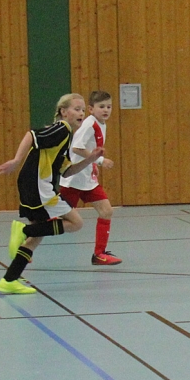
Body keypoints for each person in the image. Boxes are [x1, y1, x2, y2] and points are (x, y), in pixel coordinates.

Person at [0, 94, 105, 294]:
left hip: (34, 184)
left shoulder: (67, 136)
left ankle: (9, 280)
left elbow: (67, 171)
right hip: (39, 186)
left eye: (82, 110)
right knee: (76, 223)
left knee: (38, 235)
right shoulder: (62, 128)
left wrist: (91, 159)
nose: (81, 113)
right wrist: (16, 160)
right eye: (76, 109)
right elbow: (31, 135)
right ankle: (23, 230)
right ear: (63, 112)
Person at [59, 90, 121, 265]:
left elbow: (89, 148)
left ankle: (99, 254)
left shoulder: (101, 124)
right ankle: (28, 234)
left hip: (87, 180)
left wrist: (92, 166)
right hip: (74, 180)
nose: (106, 110)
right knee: (59, 219)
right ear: (91, 109)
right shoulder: (89, 124)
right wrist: (99, 161)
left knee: (106, 211)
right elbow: (77, 148)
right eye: (101, 107)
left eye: (109, 106)